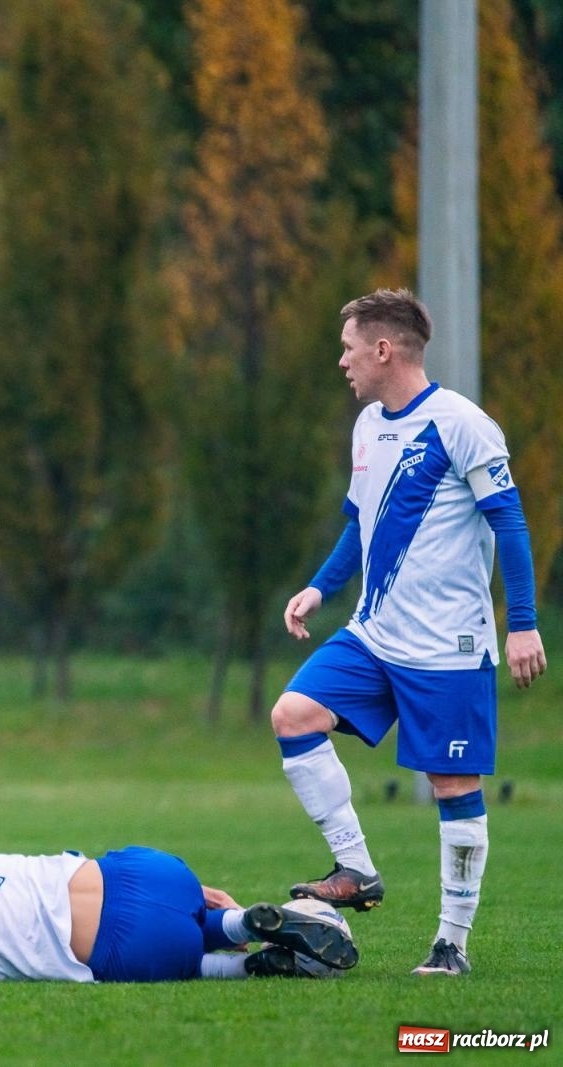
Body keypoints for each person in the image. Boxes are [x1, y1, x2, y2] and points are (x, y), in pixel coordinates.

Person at [271, 288, 546, 977]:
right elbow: (360, 524)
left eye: (349, 347)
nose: (343, 360)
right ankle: (356, 867)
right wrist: (320, 586)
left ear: (384, 349)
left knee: (453, 785)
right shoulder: (367, 426)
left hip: (448, 647)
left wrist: (522, 624)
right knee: (293, 715)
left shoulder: (463, 424)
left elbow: (511, 524)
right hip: (374, 634)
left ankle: (450, 945)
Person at [0, 845, 359, 983]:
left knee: (174, 960)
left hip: (132, 942)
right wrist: (190, 886)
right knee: (192, 920)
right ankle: (246, 923)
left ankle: (251, 965)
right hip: (147, 870)